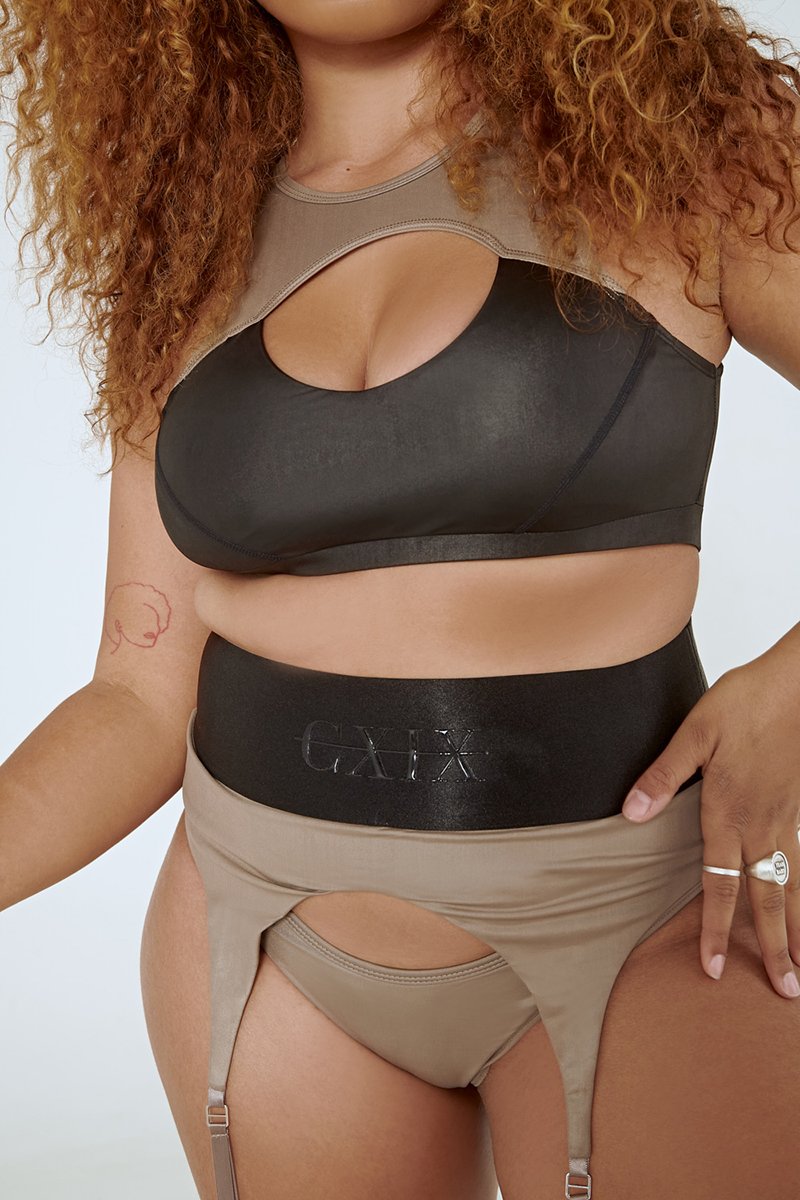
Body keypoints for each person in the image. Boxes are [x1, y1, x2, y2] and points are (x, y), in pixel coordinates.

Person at [2, 2, 800, 1197]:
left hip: (641, 918)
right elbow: (137, 694)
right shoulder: (185, 227)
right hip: (267, 940)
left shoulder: (683, 137)